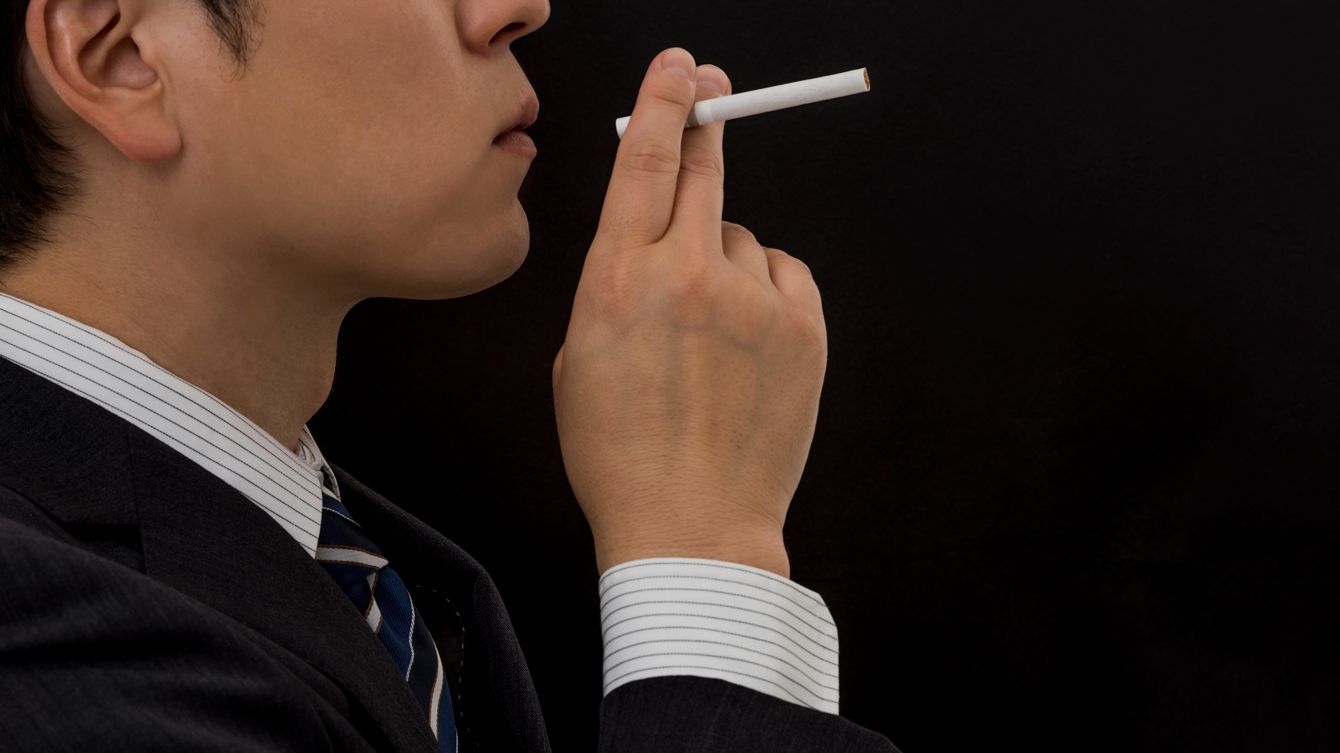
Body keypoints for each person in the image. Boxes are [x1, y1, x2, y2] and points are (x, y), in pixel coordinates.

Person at [0, 0, 898, 751]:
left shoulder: (379, 575)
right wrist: (703, 561)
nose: (521, 9)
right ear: (117, 55)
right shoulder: (41, 636)